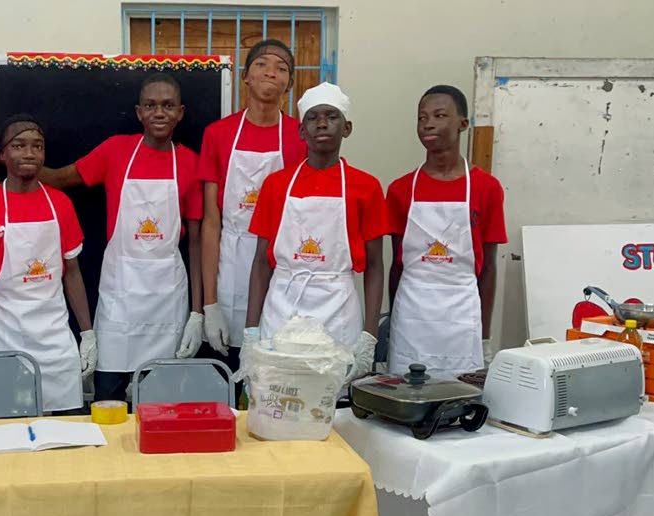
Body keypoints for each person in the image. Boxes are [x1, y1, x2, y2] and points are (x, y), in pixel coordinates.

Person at [24, 74, 205, 402]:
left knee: (160, 399)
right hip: (120, 292)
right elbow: (56, 178)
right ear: (139, 112)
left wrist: (197, 312)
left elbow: (196, 242)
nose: (159, 113)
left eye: (167, 106)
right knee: (108, 392)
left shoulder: (191, 163)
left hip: (167, 296)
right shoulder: (116, 151)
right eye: (150, 106)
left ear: (180, 112)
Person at [239, 82, 386, 382]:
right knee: (277, 394)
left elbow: (374, 266)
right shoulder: (276, 185)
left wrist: (369, 335)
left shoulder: (366, 187)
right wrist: (251, 331)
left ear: (347, 128)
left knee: (331, 404)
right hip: (282, 307)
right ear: (301, 131)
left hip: (337, 310)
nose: (322, 123)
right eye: (313, 117)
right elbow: (260, 263)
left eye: (332, 116)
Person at [0, 115, 95, 413]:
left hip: (55, 339)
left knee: (67, 431)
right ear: (1, 153)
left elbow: (72, 272)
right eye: (19, 145)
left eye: (37, 146)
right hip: (5, 334)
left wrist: (87, 333)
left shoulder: (60, 203)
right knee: (9, 426)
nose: (29, 153)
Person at [199, 39, 308, 374]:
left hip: (280, 265)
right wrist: (210, 303)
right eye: (262, 64)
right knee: (226, 371)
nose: (271, 72)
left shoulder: (299, 137)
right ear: (245, 76)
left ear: (289, 84)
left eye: (282, 68)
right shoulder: (218, 134)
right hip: (229, 260)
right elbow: (211, 222)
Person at [386, 85, 507, 379]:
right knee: (408, 393)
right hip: (412, 315)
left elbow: (488, 269)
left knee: (459, 398)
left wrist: (485, 336)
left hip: (461, 315)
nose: (428, 123)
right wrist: (392, 321)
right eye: (422, 117)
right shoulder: (401, 190)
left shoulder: (486, 188)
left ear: (463, 124)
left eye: (440, 115)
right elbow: (397, 265)